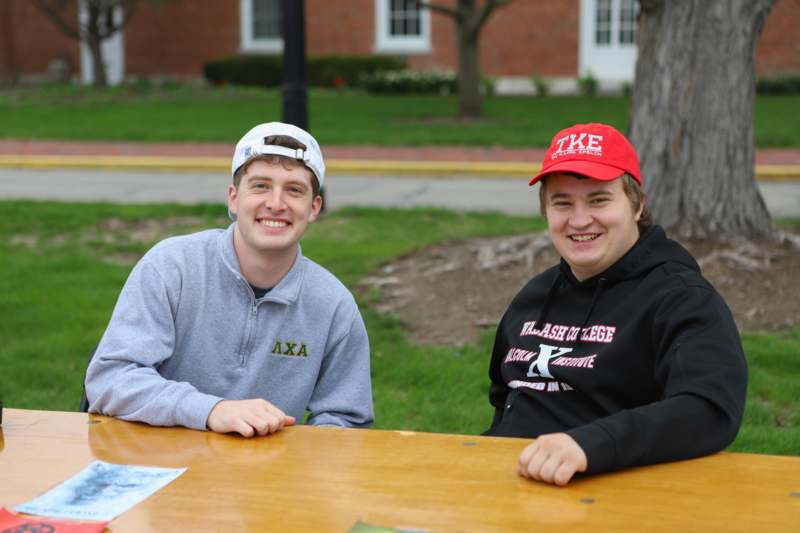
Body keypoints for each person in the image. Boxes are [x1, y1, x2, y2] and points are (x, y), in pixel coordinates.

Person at [484, 123, 747, 485]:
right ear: (546, 210)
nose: (579, 220)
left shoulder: (681, 297)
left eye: (598, 200)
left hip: (605, 487)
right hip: (510, 481)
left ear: (637, 204)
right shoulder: (534, 296)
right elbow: (504, 399)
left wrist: (588, 446)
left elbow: (709, 409)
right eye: (562, 202)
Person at [86, 122, 374, 437]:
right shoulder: (171, 267)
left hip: (265, 477)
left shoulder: (334, 305)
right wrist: (211, 410)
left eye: (294, 190)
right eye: (261, 186)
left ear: (314, 207)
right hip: (153, 467)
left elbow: (347, 420)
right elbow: (110, 378)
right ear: (234, 199)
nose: (276, 203)